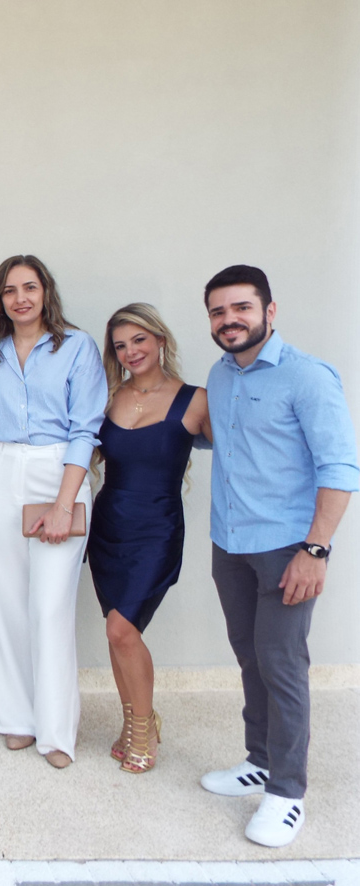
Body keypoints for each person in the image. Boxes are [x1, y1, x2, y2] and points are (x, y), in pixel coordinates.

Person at [198, 265, 356, 848]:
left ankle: (287, 793)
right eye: (218, 311)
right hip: (230, 545)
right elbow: (219, 440)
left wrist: (315, 550)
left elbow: (340, 468)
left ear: (269, 310)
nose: (229, 320)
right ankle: (259, 759)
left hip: (288, 549)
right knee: (250, 657)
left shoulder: (307, 376)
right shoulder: (220, 375)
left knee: (282, 666)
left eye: (241, 307)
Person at [0, 255, 105, 768]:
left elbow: (86, 428)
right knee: (4, 601)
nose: (20, 298)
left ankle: (56, 733)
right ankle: (16, 719)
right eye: (10, 290)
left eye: (29, 287)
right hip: (2, 471)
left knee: (50, 606)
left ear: (45, 291)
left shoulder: (77, 347)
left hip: (58, 470)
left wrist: (64, 503)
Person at [87, 303, 212, 774]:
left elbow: (239, 450)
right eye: (121, 345)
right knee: (117, 630)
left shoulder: (196, 400)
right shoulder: (108, 397)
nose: (130, 351)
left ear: (160, 340)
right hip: (108, 526)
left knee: (122, 630)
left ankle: (143, 729)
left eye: (139, 340)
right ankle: (133, 722)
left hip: (157, 528)